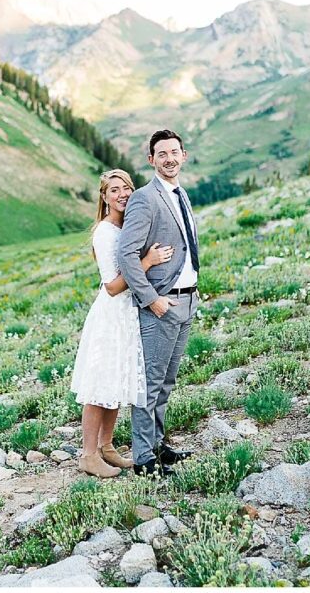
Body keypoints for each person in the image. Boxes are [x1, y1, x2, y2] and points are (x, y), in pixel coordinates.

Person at [71, 169, 174, 478]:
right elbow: (112, 287)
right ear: (104, 197)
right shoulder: (104, 232)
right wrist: (147, 262)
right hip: (111, 315)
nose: (122, 194)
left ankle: (107, 446)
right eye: (114, 190)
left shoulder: (124, 226)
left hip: (127, 314)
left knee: (116, 381)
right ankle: (88, 454)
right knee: (99, 384)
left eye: (126, 188)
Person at [117, 129, 199, 476]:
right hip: (161, 307)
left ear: (183, 156)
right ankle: (143, 459)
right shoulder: (145, 198)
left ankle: (159, 446)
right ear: (151, 159)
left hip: (187, 302)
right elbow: (126, 254)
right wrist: (151, 300)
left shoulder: (181, 194)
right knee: (149, 385)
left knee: (167, 383)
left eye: (174, 152)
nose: (168, 158)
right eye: (161, 153)